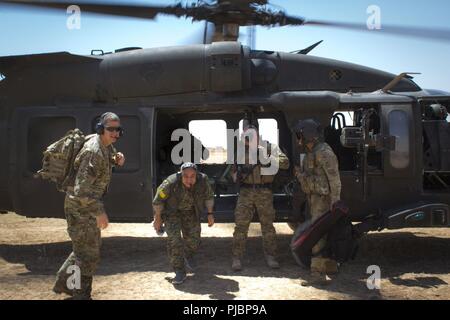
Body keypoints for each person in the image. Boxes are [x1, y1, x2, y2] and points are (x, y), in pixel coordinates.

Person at [53, 112, 125, 299]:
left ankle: (68, 285)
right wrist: (99, 212)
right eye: (110, 129)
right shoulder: (93, 152)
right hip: (80, 207)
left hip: (87, 207)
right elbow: (81, 190)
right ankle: (80, 294)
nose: (115, 133)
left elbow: (105, 161)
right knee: (86, 254)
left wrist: (116, 159)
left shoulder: (105, 146)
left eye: (118, 129)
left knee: (86, 250)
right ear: (101, 129)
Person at [231, 125, 290, 271]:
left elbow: (285, 163)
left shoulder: (270, 148)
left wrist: (267, 158)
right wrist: (236, 176)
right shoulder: (240, 152)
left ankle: (271, 256)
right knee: (241, 226)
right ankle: (237, 258)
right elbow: (233, 174)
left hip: (264, 192)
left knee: (267, 226)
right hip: (246, 192)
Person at [292, 119, 341, 286]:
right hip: (314, 198)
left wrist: (335, 201)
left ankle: (317, 274)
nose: (298, 139)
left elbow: (334, 179)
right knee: (323, 233)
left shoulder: (324, 152)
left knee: (317, 235)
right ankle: (330, 266)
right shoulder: (311, 152)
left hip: (323, 200)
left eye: (300, 135)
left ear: (308, 135)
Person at [152, 162, 215, 285]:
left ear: (196, 175)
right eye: (185, 176)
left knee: (194, 241)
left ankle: (188, 254)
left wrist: (210, 214)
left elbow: (209, 196)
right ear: (181, 175)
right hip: (172, 213)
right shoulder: (170, 183)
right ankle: (179, 271)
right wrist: (158, 218)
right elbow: (158, 200)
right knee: (174, 241)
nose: (189, 179)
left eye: (192, 176)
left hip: (191, 212)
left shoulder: (203, 180)